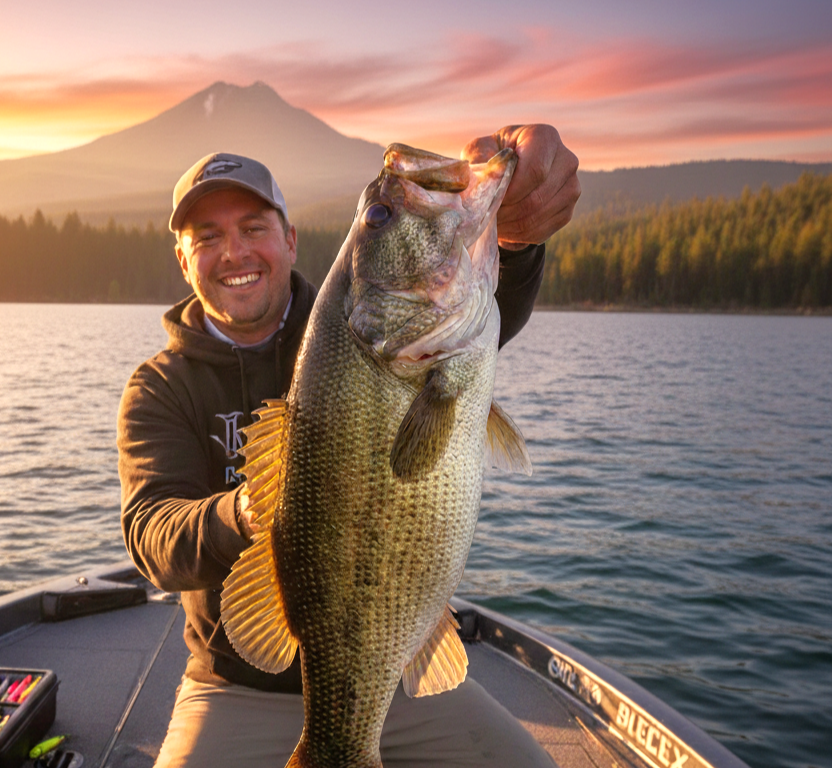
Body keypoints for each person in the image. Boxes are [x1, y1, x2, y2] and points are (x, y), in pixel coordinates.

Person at [118, 126, 580, 767]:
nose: (234, 251)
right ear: (183, 259)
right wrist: (254, 509)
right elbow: (151, 539)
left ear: (290, 239)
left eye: (253, 227)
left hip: (393, 668)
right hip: (236, 685)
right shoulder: (158, 387)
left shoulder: (360, 323)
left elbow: (489, 304)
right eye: (208, 237)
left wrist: (520, 239)